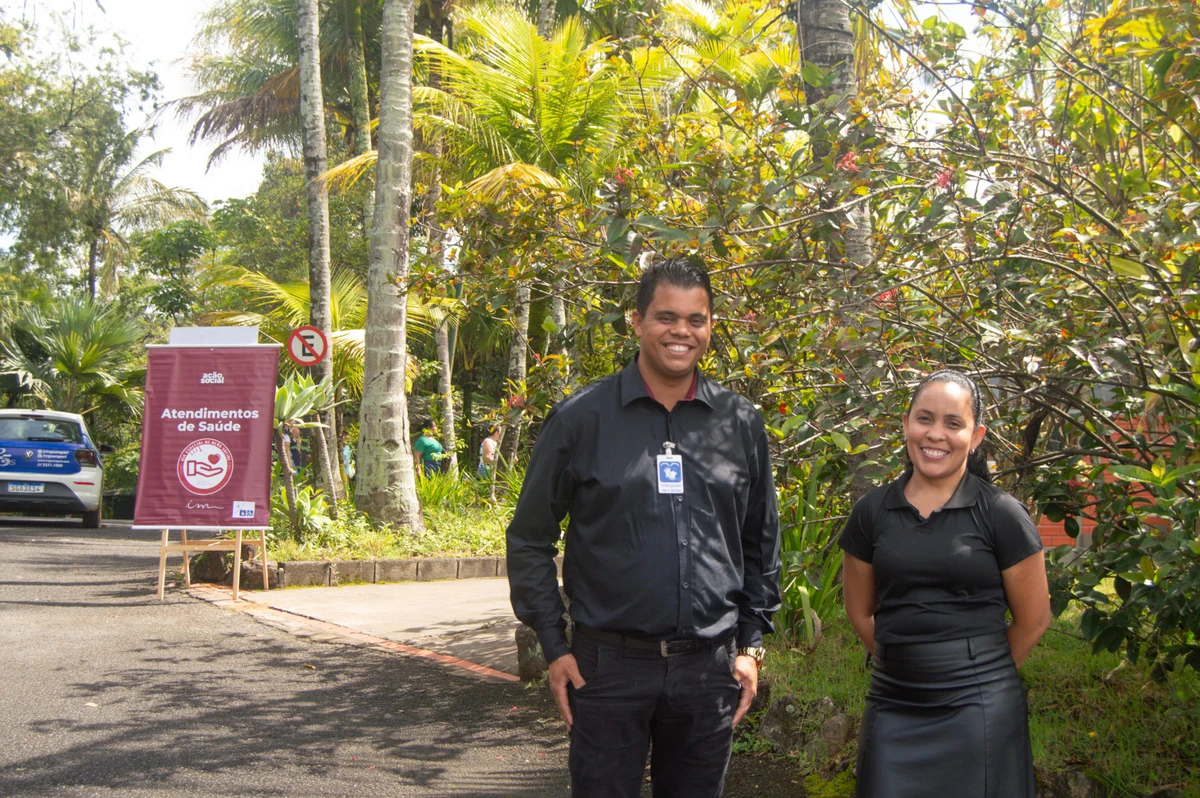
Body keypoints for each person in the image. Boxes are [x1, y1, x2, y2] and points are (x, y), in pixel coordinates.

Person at [507, 258, 781, 798]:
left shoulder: (739, 423)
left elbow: (759, 541)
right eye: (666, 317)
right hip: (606, 669)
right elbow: (530, 537)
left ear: (710, 325)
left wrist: (751, 645)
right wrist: (553, 644)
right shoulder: (582, 418)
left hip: (709, 670)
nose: (681, 332)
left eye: (695, 319)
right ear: (636, 321)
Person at [839, 370, 1051, 798]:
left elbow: (1033, 620)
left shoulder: (1002, 514)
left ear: (975, 436)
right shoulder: (871, 511)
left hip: (980, 709)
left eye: (954, 423)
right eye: (925, 419)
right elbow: (860, 611)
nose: (936, 434)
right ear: (906, 424)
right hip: (893, 701)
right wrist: (906, 662)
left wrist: (973, 672)